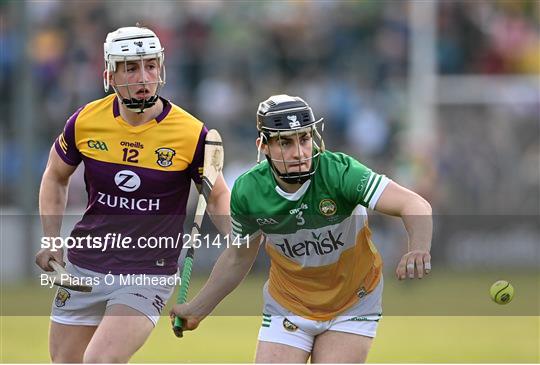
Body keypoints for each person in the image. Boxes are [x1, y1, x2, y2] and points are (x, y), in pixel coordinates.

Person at [170, 94, 432, 363]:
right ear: (264, 146)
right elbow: (238, 257)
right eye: (285, 142)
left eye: (304, 139)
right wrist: (198, 308)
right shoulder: (249, 191)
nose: (299, 152)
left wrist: (419, 248)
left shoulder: (340, 173)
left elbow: (414, 204)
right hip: (289, 303)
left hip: (354, 300)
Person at [34, 25, 230, 363]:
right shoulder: (85, 122)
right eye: (131, 67)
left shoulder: (189, 134)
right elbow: (55, 176)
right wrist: (51, 239)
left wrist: (238, 242)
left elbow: (216, 196)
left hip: (148, 270)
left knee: (99, 360)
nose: (143, 78)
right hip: (84, 265)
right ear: (109, 73)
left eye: (151, 66)